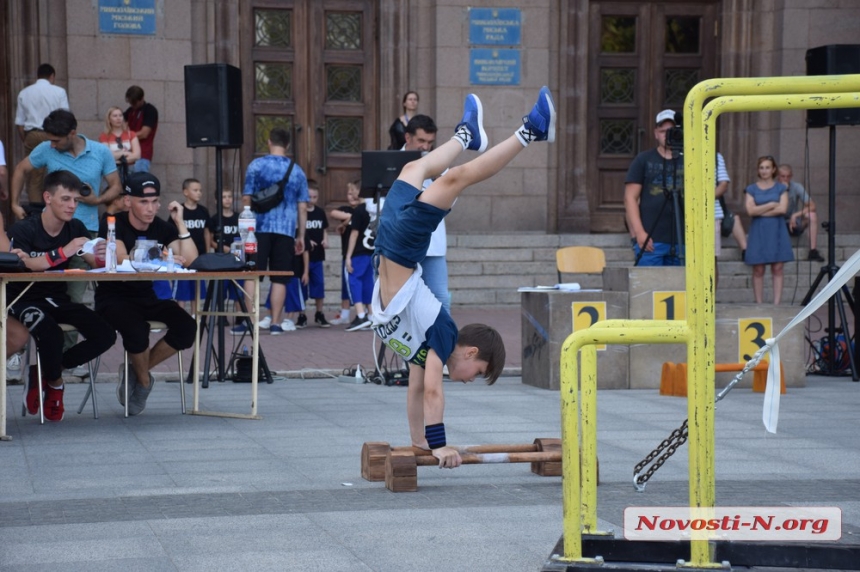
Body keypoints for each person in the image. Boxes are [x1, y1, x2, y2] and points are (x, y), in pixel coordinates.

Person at [370, 88, 554, 468]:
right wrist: (440, 445)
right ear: (470, 353)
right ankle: (530, 132)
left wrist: (419, 441)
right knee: (455, 179)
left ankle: (467, 136)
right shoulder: (443, 333)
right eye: (479, 372)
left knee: (411, 169)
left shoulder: (426, 350)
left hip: (390, 246)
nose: (470, 380)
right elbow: (434, 391)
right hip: (401, 248)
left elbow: (417, 388)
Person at [8, 170, 116, 422]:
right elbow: (26, 264)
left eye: (76, 200)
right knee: (51, 332)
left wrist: (103, 252)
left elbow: (93, 260)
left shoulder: (76, 227)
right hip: (21, 298)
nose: (72, 206)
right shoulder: (25, 229)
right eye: (66, 199)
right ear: (47, 197)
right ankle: (56, 384)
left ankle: (42, 372)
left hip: (57, 299)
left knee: (106, 334)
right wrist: (64, 251)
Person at [94, 172, 199, 415]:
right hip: (113, 296)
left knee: (187, 326)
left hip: (146, 296)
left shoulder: (162, 227)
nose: (150, 208)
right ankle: (143, 381)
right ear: (128, 201)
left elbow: (191, 259)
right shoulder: (112, 221)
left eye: (154, 201)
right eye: (143, 201)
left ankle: (134, 370)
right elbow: (120, 257)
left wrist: (180, 223)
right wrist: (159, 256)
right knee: (136, 328)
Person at [233, 128, 307, 336]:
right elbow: (302, 207)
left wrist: (245, 228)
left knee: (251, 274)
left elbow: (247, 198)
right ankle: (275, 323)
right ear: (288, 145)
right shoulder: (298, 171)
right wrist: (300, 235)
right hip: (285, 230)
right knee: (279, 277)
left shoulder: (256, 165)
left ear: (268, 142)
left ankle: (250, 322)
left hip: (258, 228)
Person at [402, 115, 451, 313]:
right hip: (402, 241)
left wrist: (441, 180)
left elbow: (451, 200)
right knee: (402, 299)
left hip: (432, 243)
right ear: (408, 138)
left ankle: (445, 344)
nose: (425, 147)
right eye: (421, 141)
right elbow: (376, 201)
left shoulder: (439, 163)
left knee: (441, 297)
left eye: (430, 143)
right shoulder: (389, 162)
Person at [624, 109, 685, 266]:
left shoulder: (690, 159)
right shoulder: (643, 159)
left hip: (684, 239)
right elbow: (630, 197)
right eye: (662, 131)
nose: (666, 135)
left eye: (670, 131)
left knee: (680, 289)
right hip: (651, 239)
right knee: (649, 288)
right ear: (656, 133)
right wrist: (639, 233)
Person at [14, 63, 70, 212]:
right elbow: (65, 117)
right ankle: (57, 207)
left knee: (34, 178)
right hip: (54, 134)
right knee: (58, 171)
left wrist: (26, 139)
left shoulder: (24, 93)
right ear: (52, 76)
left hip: (31, 133)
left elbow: (19, 123)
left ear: (37, 76)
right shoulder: (59, 91)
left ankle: (35, 211)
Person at [744, 156, 794, 305]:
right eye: (761, 168)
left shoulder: (781, 188)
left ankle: (776, 304)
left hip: (776, 230)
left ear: (773, 170)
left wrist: (759, 210)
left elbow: (783, 209)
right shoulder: (751, 188)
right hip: (758, 230)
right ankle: (759, 303)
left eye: (767, 167)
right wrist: (772, 204)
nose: (764, 171)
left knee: (777, 267)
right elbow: (750, 211)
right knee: (758, 269)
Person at [170, 178, 210, 315]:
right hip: (182, 257)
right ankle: (180, 315)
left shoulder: (204, 211)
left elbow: (206, 232)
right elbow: (172, 235)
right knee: (182, 288)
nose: (199, 193)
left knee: (197, 286)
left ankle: (195, 315)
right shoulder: (178, 212)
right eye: (195, 190)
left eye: (200, 190)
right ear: (185, 192)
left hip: (199, 257)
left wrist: (208, 250)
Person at [344, 196, 379, 332]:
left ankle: (360, 315)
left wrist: (348, 256)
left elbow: (354, 234)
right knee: (368, 282)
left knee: (354, 280)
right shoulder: (377, 209)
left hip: (359, 251)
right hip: (372, 251)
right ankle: (371, 315)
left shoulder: (359, 210)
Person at [329, 179, 361, 325]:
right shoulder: (346, 210)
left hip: (361, 253)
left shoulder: (366, 211)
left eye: (355, 193)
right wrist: (347, 219)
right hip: (347, 254)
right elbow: (333, 213)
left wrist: (344, 223)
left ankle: (364, 312)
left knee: (360, 283)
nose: (352, 196)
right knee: (346, 285)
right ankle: (345, 313)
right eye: (349, 193)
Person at [778, 164, 824, 262]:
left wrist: (795, 215)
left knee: (811, 215)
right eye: (782, 176)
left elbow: (812, 205)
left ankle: (813, 251)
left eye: (788, 176)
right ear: (778, 176)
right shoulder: (772, 188)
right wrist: (784, 191)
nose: (785, 179)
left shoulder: (796, 186)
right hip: (777, 224)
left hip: (794, 223)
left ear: (791, 176)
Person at [303, 181, 330, 327]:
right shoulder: (300, 212)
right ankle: (302, 315)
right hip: (303, 258)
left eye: (314, 197)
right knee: (303, 286)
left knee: (319, 285)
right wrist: (307, 242)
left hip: (318, 256)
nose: (311, 200)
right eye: (308, 196)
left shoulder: (320, 212)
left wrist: (325, 240)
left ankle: (319, 313)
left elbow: (324, 229)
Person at [98, 105, 140, 185]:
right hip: (111, 171)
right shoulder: (104, 136)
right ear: (109, 119)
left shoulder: (131, 134)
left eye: (120, 115)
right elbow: (107, 156)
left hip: (129, 170)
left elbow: (137, 155)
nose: (118, 118)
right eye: (115, 116)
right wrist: (126, 153)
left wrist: (117, 158)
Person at [124, 85, 158, 173]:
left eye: (134, 103)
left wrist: (125, 136)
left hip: (142, 155)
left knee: (139, 182)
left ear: (142, 99)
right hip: (129, 155)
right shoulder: (131, 111)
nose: (132, 105)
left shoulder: (150, 111)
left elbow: (144, 133)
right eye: (131, 103)